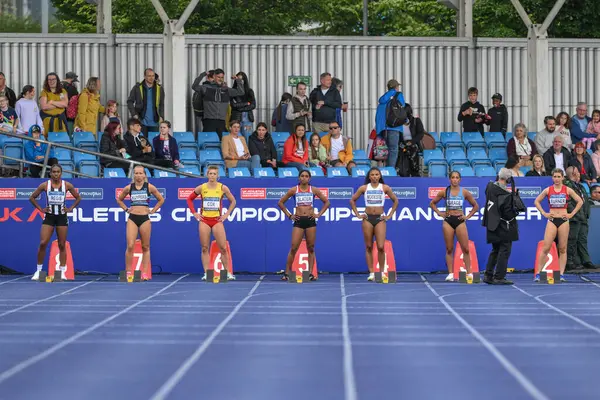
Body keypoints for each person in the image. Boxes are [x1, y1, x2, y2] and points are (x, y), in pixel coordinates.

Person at [29, 164, 81, 281]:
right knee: (43, 243)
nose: (56, 174)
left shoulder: (67, 185)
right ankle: (38, 271)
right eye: (54, 172)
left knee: (62, 244)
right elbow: (32, 197)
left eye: (58, 172)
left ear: (61, 173)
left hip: (62, 217)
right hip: (49, 217)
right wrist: (41, 209)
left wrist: (70, 208)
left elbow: (78, 198)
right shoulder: (45, 185)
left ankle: (62, 272)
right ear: (50, 173)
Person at [186, 165, 237, 281]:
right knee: (204, 248)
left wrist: (226, 214)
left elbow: (233, 201)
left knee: (223, 248)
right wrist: (194, 213)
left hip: (217, 221)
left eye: (214, 174)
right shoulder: (202, 187)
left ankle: (227, 272)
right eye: (210, 173)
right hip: (204, 220)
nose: (212, 176)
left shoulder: (223, 188)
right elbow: (189, 199)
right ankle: (207, 273)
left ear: (218, 176)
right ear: (207, 175)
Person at [277, 169, 330, 281]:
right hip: (298, 220)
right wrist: (289, 215)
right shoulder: (294, 190)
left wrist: (319, 214)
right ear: (299, 178)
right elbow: (280, 202)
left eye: (306, 176)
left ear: (309, 178)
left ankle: (309, 274)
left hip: (310, 221)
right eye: (302, 176)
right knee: (294, 247)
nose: (304, 178)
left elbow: (327, 202)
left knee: (310, 248)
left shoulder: (314, 190)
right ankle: (287, 273)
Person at [533, 168, 583, 282]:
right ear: (552, 178)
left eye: (558, 177)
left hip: (563, 220)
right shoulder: (548, 190)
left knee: (563, 248)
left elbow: (580, 201)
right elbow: (536, 201)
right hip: (552, 220)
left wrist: (571, 214)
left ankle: (560, 274)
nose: (556, 179)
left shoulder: (567, 190)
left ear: (562, 178)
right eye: (554, 177)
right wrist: (544, 213)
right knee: (546, 247)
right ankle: (538, 274)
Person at [116, 165, 165, 281]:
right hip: (132, 218)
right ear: (134, 175)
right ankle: (128, 272)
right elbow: (119, 199)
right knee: (130, 245)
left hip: (145, 219)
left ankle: (144, 273)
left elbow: (161, 199)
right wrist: (126, 209)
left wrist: (153, 210)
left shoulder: (149, 187)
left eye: (140, 173)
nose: (138, 175)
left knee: (145, 246)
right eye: (136, 173)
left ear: (144, 175)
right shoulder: (129, 187)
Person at [350, 167, 399, 282]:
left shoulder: (385, 188)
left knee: (381, 246)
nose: (375, 176)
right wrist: (357, 214)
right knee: (368, 246)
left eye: (377, 174)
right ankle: (372, 272)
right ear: (369, 176)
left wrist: (389, 215)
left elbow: (395, 201)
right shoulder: (364, 188)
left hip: (380, 219)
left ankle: (381, 273)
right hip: (367, 219)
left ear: (380, 176)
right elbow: (352, 200)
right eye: (372, 174)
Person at [430, 171, 480, 282]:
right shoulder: (444, 192)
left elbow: (476, 206)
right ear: (450, 179)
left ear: (460, 180)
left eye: (457, 177)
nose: (455, 179)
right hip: (448, 221)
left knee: (465, 248)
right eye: (453, 177)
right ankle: (451, 273)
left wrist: (467, 217)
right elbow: (432, 203)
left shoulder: (464, 192)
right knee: (449, 248)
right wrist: (440, 213)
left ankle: (469, 273)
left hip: (460, 221)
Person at [482, 168, 521, 285]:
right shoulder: (505, 195)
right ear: (508, 179)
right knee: (505, 250)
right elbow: (508, 213)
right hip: (504, 225)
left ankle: (488, 275)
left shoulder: (490, 187)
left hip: (491, 223)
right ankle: (499, 276)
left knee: (495, 250)